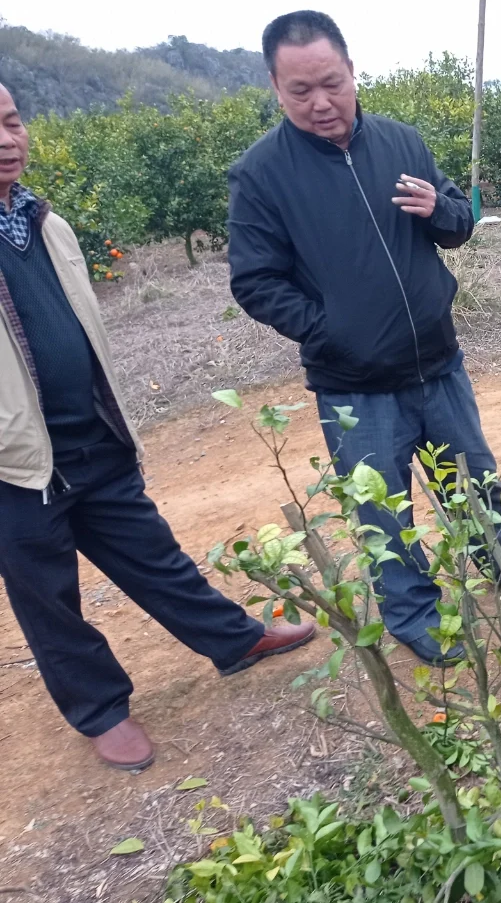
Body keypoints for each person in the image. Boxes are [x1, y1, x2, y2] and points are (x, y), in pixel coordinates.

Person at [227, 11, 501, 667]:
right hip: (354, 384)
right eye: (301, 91)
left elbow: (458, 223)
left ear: (352, 70)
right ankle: (415, 615)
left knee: (474, 480)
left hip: (437, 360)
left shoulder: (401, 143)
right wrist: (333, 330)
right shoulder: (262, 175)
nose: (321, 102)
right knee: (385, 512)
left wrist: (442, 211)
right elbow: (256, 282)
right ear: (275, 87)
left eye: (331, 82)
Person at [0, 84, 315, 773]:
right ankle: (100, 708)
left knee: (154, 554)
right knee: (47, 596)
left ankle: (233, 640)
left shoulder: (45, 223)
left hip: (91, 432)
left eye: (12, 120)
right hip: (16, 464)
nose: (7, 139)